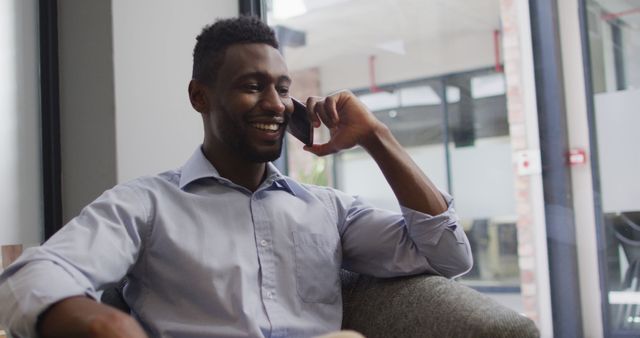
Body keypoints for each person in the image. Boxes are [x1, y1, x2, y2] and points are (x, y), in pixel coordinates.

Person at [0, 16, 472, 338]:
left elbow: (448, 254)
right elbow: (29, 277)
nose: (275, 104)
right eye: (252, 86)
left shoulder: (328, 209)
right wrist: (108, 326)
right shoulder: (145, 204)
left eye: (283, 89)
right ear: (199, 97)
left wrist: (377, 138)